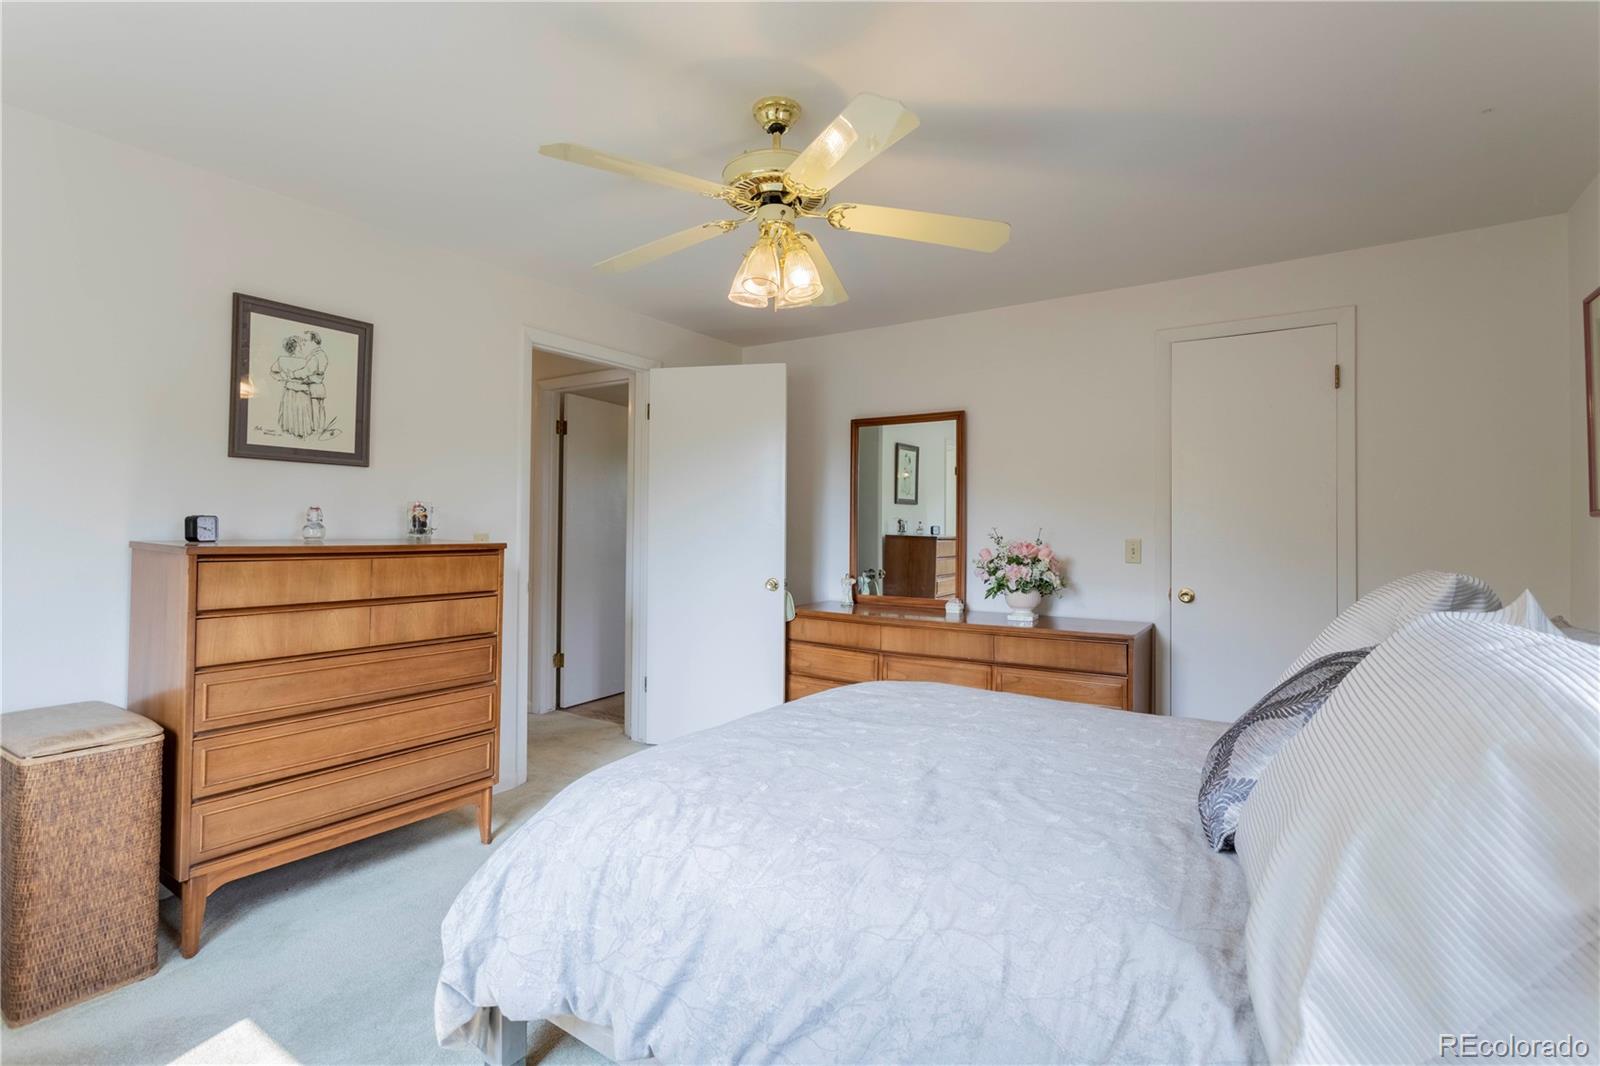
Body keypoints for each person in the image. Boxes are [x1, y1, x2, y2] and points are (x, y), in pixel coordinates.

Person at [270, 330, 329, 439]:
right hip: (306, 389)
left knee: (313, 411)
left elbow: (307, 371)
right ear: (297, 347)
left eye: (306, 342)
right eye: (302, 343)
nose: (304, 345)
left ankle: (315, 431)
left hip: (306, 388)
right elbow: (307, 371)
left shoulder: (310, 357)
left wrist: (287, 377)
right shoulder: (307, 358)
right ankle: (314, 431)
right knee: (314, 411)